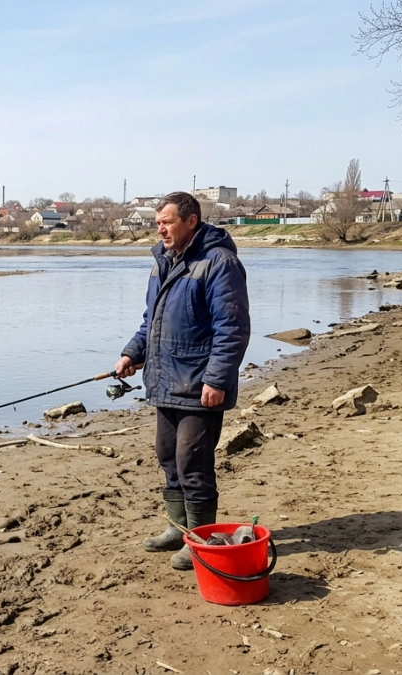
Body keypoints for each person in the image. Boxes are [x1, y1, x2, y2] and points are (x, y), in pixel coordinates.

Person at [115, 191, 250, 570]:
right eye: (158, 222)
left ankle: (202, 541)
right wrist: (132, 354)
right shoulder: (162, 263)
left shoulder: (219, 262)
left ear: (191, 222)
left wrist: (218, 380)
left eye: (168, 222)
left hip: (200, 385)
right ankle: (178, 529)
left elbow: (233, 329)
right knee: (168, 457)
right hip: (164, 380)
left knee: (193, 462)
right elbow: (152, 321)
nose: (161, 229)